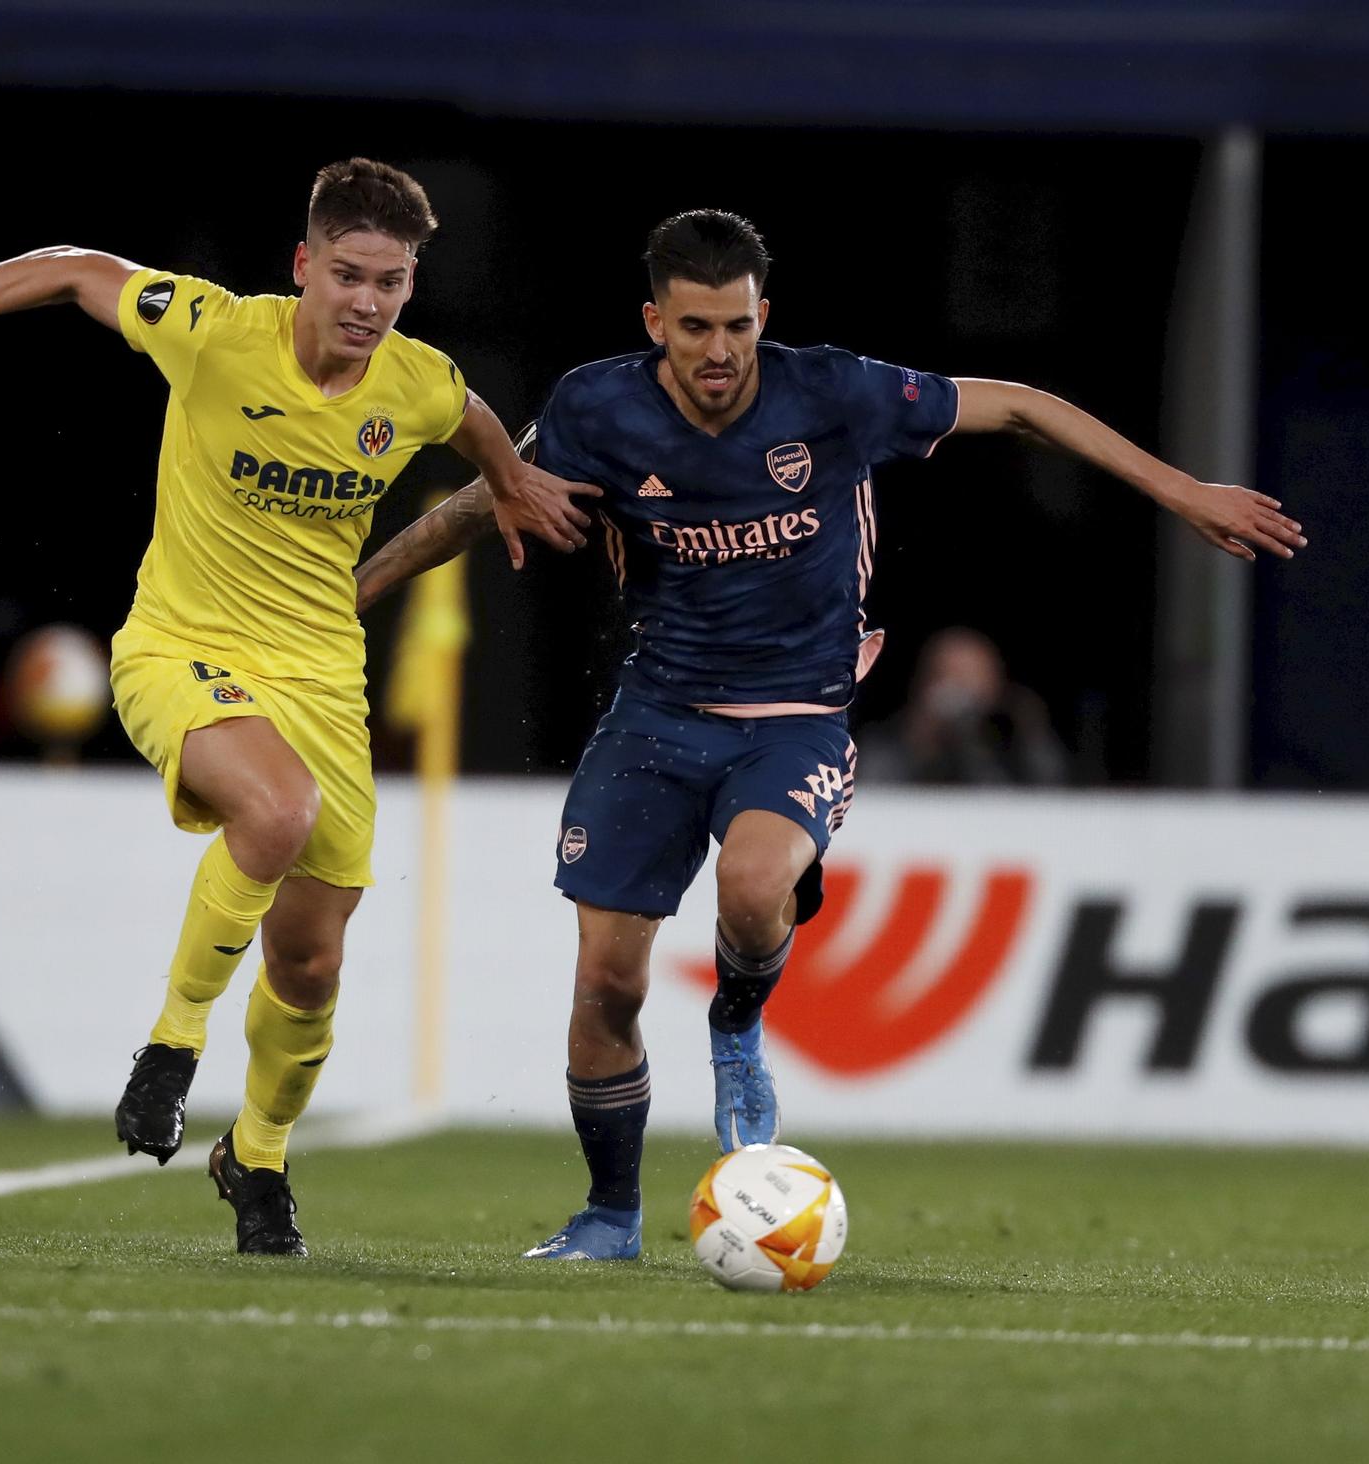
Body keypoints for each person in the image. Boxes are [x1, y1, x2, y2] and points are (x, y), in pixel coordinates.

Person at [355, 209, 1303, 1261]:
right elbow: (476, 506)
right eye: (693, 328)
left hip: (795, 717)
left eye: (736, 327)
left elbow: (1022, 407)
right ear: (652, 323)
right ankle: (609, 1216)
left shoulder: (836, 393)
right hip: (655, 717)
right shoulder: (595, 407)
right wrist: (353, 591)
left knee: (755, 889)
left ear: (764, 318)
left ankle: (735, 1027)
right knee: (605, 987)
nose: (717, 352)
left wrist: (1182, 491)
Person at [0, 158, 596, 1256]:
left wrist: (509, 478)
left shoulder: (409, 382)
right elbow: (69, 269)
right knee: (270, 815)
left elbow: (466, 417)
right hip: (181, 649)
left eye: (391, 281)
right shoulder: (216, 332)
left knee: (310, 965)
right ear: (303, 267)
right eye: (348, 275)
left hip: (321, 681)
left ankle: (258, 1160)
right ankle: (170, 1050)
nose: (367, 302)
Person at [854, 625, 1070, 786]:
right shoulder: (887, 742)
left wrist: (1030, 731)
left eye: (970, 678)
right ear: (924, 684)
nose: (961, 692)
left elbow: (1054, 785)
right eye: (949, 678)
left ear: (994, 684)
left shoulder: (1013, 736)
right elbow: (873, 792)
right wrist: (918, 742)